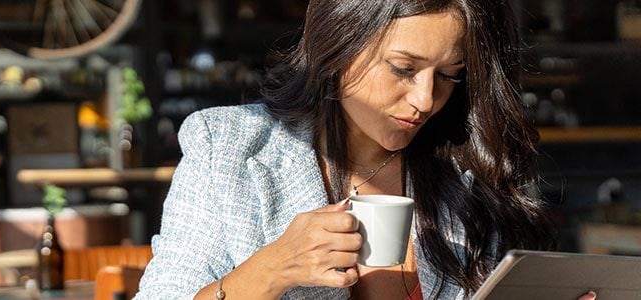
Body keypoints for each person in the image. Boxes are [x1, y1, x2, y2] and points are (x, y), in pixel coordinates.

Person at [136, 0, 596, 299]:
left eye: (449, 74)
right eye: (403, 68)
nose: (425, 100)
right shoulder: (232, 149)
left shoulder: (466, 166)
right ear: (338, 45)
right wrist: (270, 270)